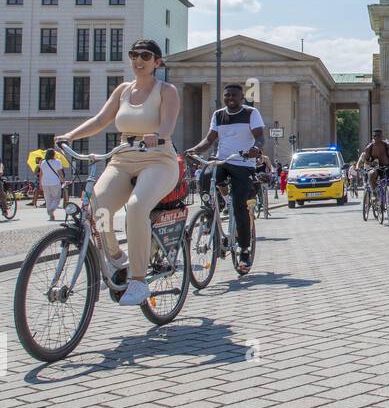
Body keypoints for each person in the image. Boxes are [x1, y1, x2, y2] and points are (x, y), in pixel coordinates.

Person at [55, 39, 181, 305]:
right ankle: (116, 259)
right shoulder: (123, 90)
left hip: (158, 159)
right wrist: (70, 135)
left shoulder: (166, 91)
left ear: (157, 62)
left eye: (145, 56)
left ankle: (138, 281)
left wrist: (157, 136)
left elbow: (168, 125)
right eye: (134, 54)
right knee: (96, 205)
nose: (138, 60)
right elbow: (100, 120)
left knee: (136, 208)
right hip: (123, 158)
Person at [186, 82, 263, 273]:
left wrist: (255, 149)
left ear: (242, 97)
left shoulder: (251, 113)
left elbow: (260, 137)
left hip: (243, 163)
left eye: (234, 96)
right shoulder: (218, 115)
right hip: (223, 160)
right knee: (205, 175)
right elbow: (209, 139)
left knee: (239, 206)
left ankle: (244, 249)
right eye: (227, 95)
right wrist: (195, 149)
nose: (230, 99)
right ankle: (209, 211)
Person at [38, 148, 67, 220]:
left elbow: (41, 174)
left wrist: (40, 183)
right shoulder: (58, 162)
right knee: (56, 198)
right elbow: (60, 173)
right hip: (55, 182)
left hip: (45, 183)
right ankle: (51, 210)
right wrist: (63, 181)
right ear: (53, 154)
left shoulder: (42, 162)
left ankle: (51, 215)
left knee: (48, 199)